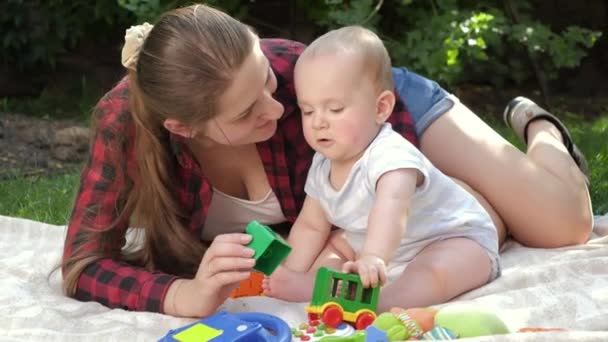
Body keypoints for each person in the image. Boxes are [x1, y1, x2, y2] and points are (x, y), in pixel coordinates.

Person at [61, 4, 593, 318]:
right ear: (185, 129)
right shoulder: (127, 124)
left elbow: (394, 180)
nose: (280, 106)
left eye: (266, 79)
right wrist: (185, 295)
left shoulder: (298, 76)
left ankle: (543, 132)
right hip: (349, 119)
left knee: (562, 226)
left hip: (378, 110)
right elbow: (84, 263)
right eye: (249, 112)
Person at [261, 26, 500, 311]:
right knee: (334, 247)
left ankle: (386, 301)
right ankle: (313, 285)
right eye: (308, 110)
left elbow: (392, 209)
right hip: (380, 245)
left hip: (450, 239)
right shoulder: (323, 164)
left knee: (431, 272)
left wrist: (374, 256)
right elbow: (312, 225)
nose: (318, 122)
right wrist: (291, 270)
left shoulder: (391, 156)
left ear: (381, 108)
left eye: (335, 109)